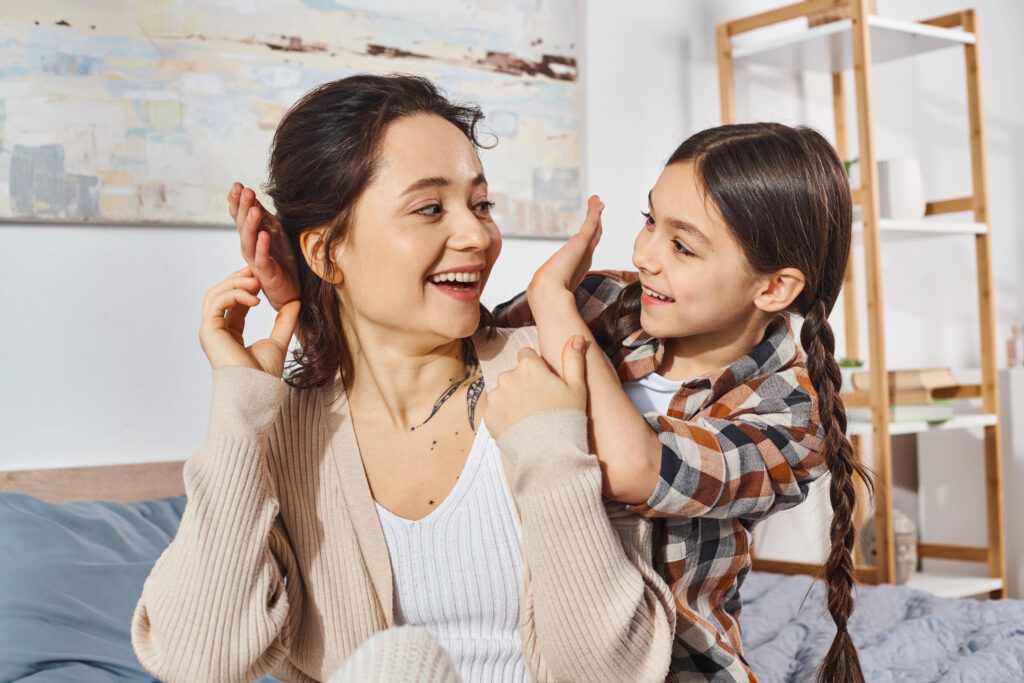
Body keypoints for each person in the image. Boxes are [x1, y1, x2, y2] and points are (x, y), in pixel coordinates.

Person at [130, 74, 676, 683]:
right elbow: (195, 662)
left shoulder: (552, 373)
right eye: (429, 208)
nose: (477, 235)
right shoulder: (285, 427)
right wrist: (239, 410)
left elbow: (618, 673)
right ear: (326, 252)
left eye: (481, 204)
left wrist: (550, 450)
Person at [494, 122, 872, 682]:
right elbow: (464, 353)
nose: (645, 254)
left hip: (672, 666)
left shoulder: (793, 419)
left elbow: (635, 470)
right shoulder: (600, 301)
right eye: (650, 220)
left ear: (772, 288)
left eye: (682, 245)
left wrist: (551, 298)